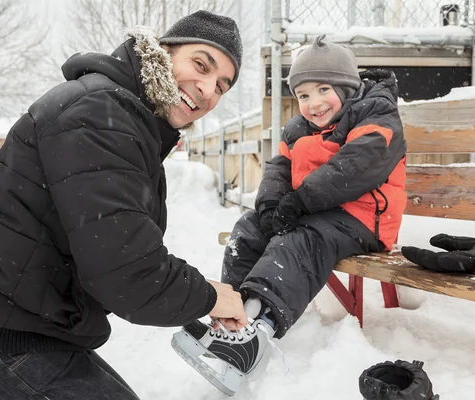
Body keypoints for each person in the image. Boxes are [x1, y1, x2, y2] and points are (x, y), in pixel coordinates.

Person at [0, 10, 248, 400]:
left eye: (222, 85)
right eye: (201, 65)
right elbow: (127, 272)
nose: (207, 89)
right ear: (163, 51)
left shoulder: (125, 118)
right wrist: (209, 296)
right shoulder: (101, 115)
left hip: (18, 328)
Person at [172, 35, 407, 395]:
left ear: (345, 86)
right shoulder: (298, 128)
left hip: (363, 218)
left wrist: (300, 202)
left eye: (323, 89)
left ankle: (258, 331)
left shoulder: (375, 112)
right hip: (318, 211)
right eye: (303, 95)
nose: (313, 104)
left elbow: (359, 165)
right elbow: (278, 170)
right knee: (249, 230)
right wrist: (270, 206)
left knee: (300, 240)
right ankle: (232, 321)